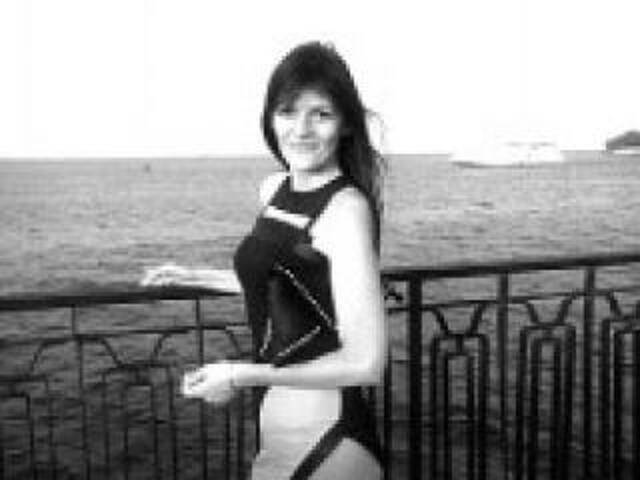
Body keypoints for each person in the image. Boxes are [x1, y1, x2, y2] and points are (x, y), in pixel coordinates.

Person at [142, 41, 387, 479]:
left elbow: (366, 363)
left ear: (346, 124)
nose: (301, 129)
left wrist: (238, 375)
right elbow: (284, 283)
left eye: (321, 114)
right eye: (288, 112)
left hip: (329, 441)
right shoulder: (274, 189)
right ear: (270, 119)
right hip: (279, 433)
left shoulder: (346, 210)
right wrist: (191, 274)